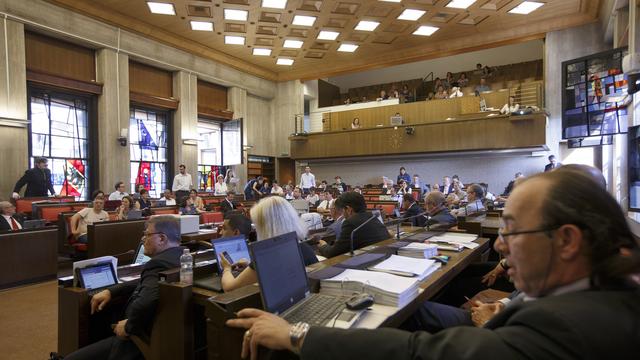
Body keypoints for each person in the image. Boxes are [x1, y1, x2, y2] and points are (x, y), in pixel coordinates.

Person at [226, 169, 640, 360]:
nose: (499, 243)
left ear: (567, 240)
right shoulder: (601, 293)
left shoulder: (572, 324)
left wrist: (298, 334)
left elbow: (420, 352)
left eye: (512, 230)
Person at [63, 216, 185, 360]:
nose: (142, 239)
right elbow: (148, 282)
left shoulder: (157, 263)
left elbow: (147, 301)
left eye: (147, 234)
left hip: (137, 341)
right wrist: (112, 290)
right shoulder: (182, 257)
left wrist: (128, 327)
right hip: (168, 335)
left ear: (162, 239)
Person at [220, 196, 317, 292]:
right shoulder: (303, 247)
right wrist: (250, 266)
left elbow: (230, 288)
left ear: (265, 227)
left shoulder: (268, 256)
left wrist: (227, 268)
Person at [317, 192, 390, 258]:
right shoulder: (372, 217)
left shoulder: (350, 222)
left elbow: (332, 253)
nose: (343, 214)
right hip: (383, 256)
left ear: (348, 209)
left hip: (368, 260)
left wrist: (323, 246)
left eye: (343, 210)